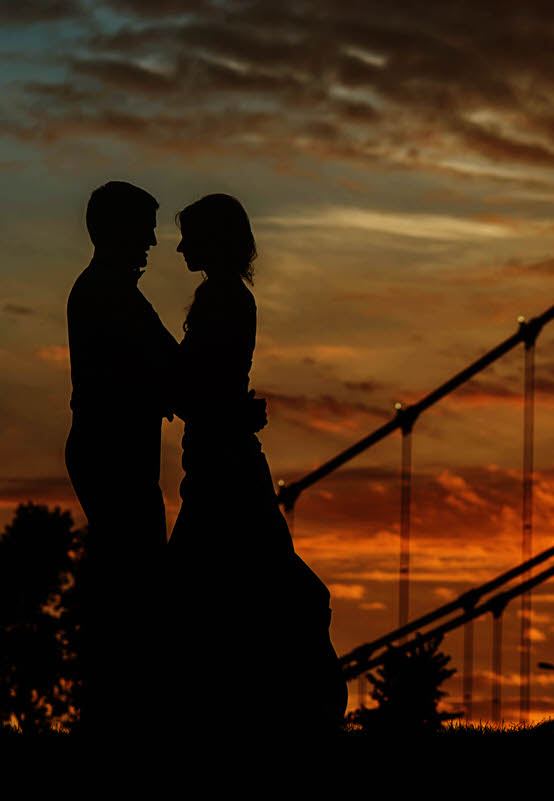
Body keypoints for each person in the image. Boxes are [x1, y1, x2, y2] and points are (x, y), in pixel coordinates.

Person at [165, 193, 346, 735]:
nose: (178, 246)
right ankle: (280, 705)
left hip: (223, 466)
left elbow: (194, 383)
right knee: (254, 586)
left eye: (189, 236)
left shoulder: (221, 299)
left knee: (197, 591)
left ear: (214, 240)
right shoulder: (227, 296)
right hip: (228, 459)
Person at [64, 181, 179, 734]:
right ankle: (123, 716)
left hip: (110, 453)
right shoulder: (107, 293)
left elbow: (164, 367)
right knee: (134, 584)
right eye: (145, 230)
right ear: (117, 231)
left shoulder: (109, 291)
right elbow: (166, 366)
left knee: (129, 582)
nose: (154, 243)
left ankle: (119, 712)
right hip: (114, 456)